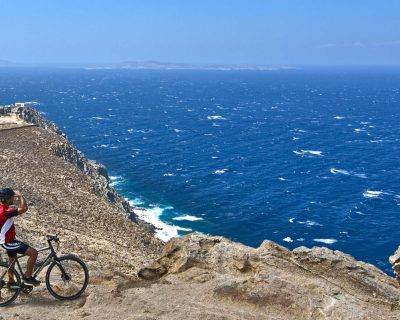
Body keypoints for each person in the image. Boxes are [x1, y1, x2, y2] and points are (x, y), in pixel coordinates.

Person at [0, 188, 40, 286]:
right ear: (7, 198)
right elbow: (24, 208)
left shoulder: (2, 208)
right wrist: (20, 196)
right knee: (34, 253)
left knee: (12, 261)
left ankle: (11, 282)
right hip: (8, 242)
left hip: (7, 241)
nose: (13, 200)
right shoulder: (6, 211)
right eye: (12, 198)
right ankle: (28, 277)